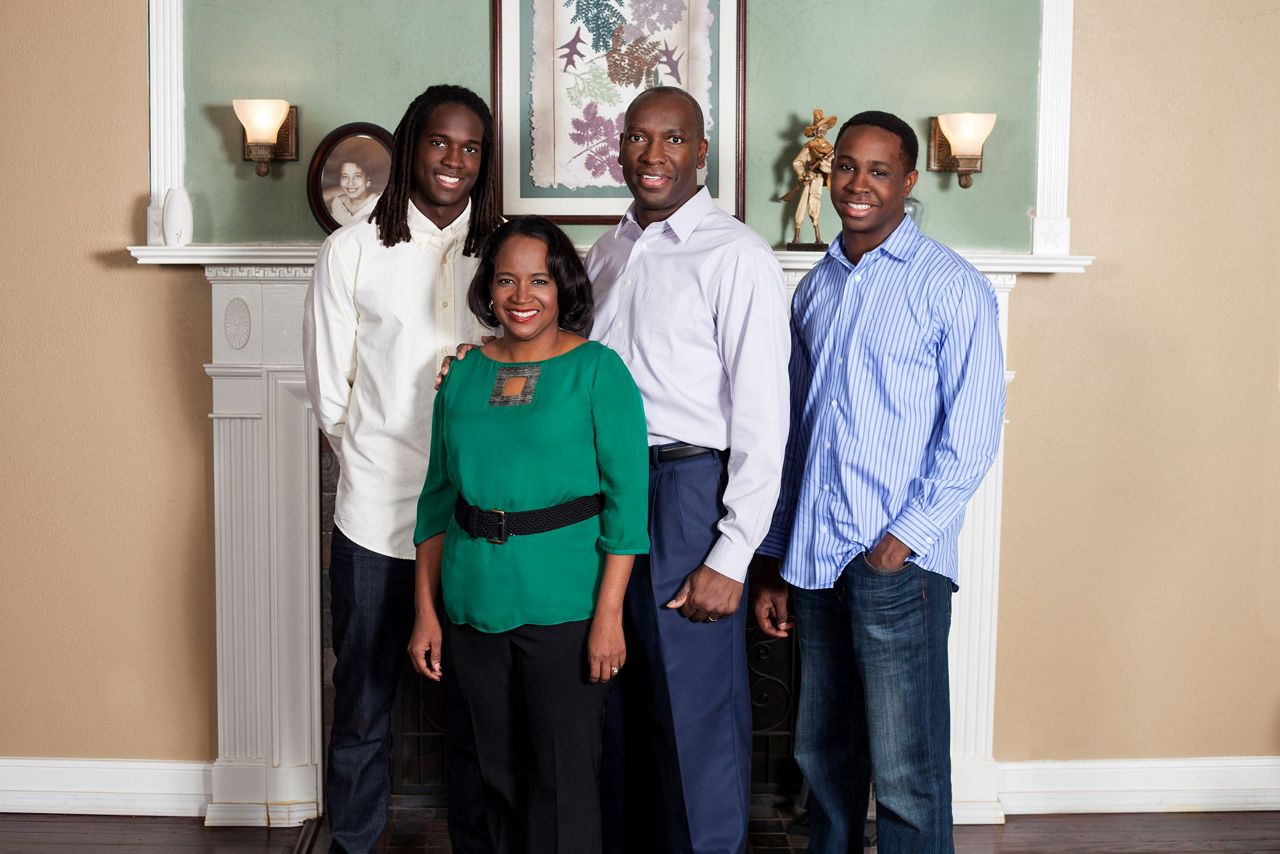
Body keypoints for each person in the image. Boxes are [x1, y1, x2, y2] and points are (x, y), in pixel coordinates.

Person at [752, 110, 1006, 854]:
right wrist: (774, 555)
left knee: (906, 771)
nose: (858, 185)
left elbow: (973, 435)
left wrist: (901, 543)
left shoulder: (953, 288)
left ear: (908, 180)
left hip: (897, 565)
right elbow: (797, 436)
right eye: (847, 169)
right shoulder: (817, 290)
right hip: (816, 563)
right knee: (823, 758)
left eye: (879, 170)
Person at [302, 83, 502, 854]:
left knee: (479, 715)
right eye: (440, 143)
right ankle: (353, 842)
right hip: (377, 520)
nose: (454, 160)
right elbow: (329, 395)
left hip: (483, 525)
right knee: (361, 706)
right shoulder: (351, 250)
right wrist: (375, 465)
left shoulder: (506, 251)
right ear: (412, 144)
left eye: (471, 148)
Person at [590, 87, 790, 854]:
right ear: (621, 149)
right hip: (608, 493)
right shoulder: (607, 251)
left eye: (672, 139)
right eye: (638, 139)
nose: (652, 155)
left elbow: (765, 419)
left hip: (689, 493)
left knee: (696, 710)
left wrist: (733, 553)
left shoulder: (735, 253)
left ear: (700, 152)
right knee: (617, 701)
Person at [409, 215, 649, 853]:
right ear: (487, 288)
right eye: (506, 279)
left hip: (566, 607)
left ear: (563, 285)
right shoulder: (460, 374)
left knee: (562, 778)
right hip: (469, 601)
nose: (522, 296)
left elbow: (628, 510)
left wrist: (609, 619)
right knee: (482, 774)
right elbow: (435, 502)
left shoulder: (600, 372)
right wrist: (425, 614)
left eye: (539, 280)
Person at [782, 108, 837, 246]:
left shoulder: (831, 148)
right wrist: (802, 174)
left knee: (815, 206)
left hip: (818, 180)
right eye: (818, 128)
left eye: (823, 128)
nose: (821, 131)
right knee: (801, 206)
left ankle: (818, 237)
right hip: (809, 178)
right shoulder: (809, 146)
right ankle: (797, 236)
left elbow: (833, 166)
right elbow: (798, 162)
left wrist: (824, 165)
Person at [327, 158, 382, 226]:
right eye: (345, 176)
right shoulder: (337, 203)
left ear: (368, 179)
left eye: (357, 176)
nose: (350, 183)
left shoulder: (379, 204)